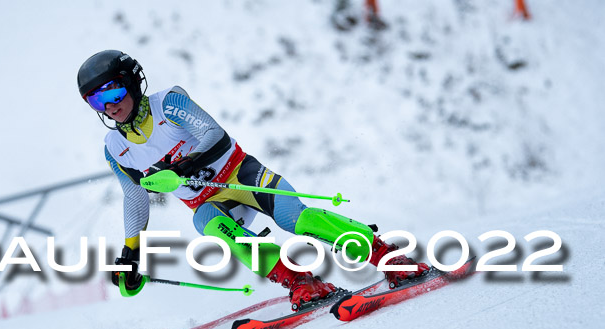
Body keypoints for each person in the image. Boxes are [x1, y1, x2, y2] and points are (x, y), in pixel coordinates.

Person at [77, 50, 429, 310]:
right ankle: (300, 282)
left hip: (243, 176)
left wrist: (183, 166)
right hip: (206, 201)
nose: (107, 105)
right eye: (95, 99)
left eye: (111, 92)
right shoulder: (115, 149)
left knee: (297, 219)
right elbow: (135, 197)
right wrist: (131, 252)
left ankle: (385, 254)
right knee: (211, 227)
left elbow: (215, 135)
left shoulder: (168, 104)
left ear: (130, 83)